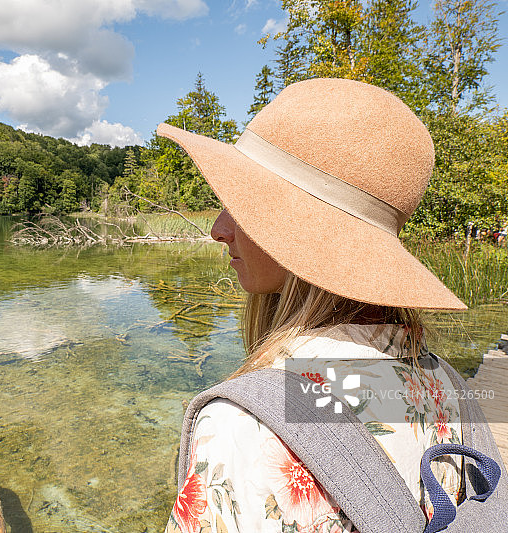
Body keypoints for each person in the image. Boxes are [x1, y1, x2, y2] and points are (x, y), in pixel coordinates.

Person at [159, 78, 474, 533]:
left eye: (239, 205)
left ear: (298, 230)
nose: (218, 228)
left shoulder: (247, 426)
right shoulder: (439, 380)